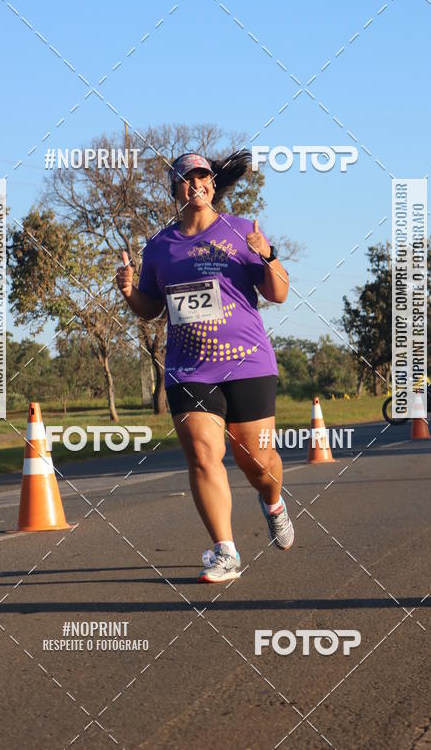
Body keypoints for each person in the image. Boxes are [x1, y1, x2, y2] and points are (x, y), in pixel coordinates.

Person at [116, 150, 293, 583]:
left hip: (248, 362)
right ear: (175, 188)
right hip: (189, 368)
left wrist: (267, 255)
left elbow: (279, 293)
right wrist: (127, 292)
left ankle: (273, 502)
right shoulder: (160, 247)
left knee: (258, 461)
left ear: (213, 184)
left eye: (204, 177)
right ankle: (225, 551)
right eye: (187, 178)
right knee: (201, 454)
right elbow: (151, 308)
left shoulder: (241, 230)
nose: (197, 184)